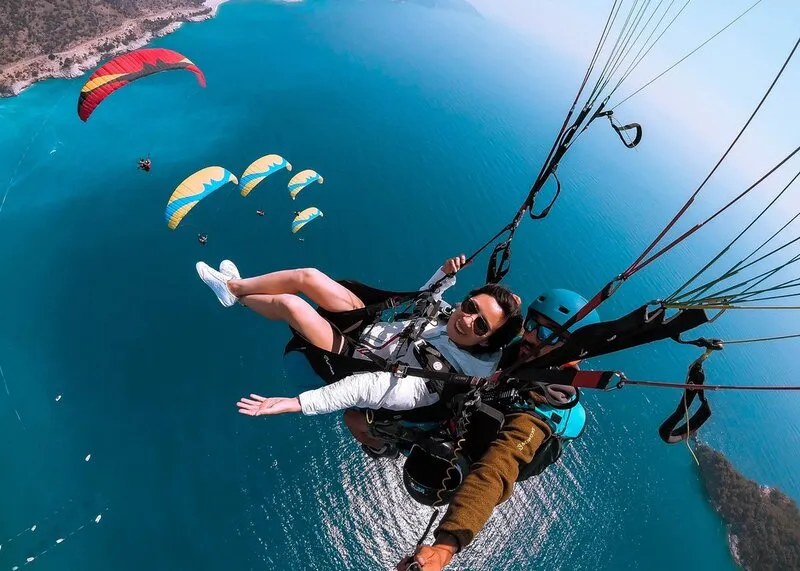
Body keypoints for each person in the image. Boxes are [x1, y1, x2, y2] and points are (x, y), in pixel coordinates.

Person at [196, 256, 523, 453]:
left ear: (485, 343)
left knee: (290, 305)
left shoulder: (437, 379)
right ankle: (235, 286)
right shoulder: (452, 322)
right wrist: (444, 274)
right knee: (307, 276)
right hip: (371, 324)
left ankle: (233, 295)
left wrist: (298, 404)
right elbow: (423, 301)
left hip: (354, 357)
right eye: (469, 307)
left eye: (480, 324)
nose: (465, 319)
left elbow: (368, 387)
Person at [395, 288, 600, 571]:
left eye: (548, 335)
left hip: (482, 448)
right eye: (531, 325)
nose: (531, 337)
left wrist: (445, 547)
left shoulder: (539, 410)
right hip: (471, 420)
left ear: (574, 351)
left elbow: (496, 471)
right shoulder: (520, 350)